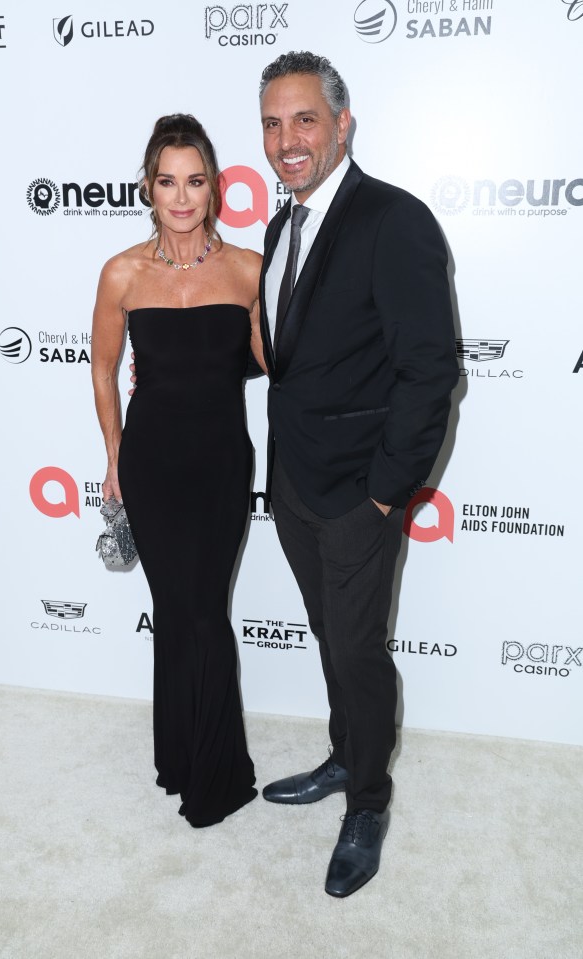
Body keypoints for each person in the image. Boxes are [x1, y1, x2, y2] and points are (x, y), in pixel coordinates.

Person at [256, 52, 459, 897]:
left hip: (358, 491)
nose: (286, 140)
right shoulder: (282, 225)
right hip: (296, 481)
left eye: (304, 119)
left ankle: (368, 801)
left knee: (356, 648)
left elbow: (431, 369)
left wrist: (385, 489)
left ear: (342, 124)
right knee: (328, 635)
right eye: (271, 124)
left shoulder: (393, 219)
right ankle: (347, 756)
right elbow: (294, 354)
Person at [91, 114, 265, 828]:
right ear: (148, 187)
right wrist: (112, 455)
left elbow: (271, 360)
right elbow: (102, 366)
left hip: (223, 461)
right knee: (176, 611)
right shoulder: (123, 272)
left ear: (215, 187)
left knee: (205, 613)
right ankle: (183, 759)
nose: (182, 195)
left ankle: (211, 769)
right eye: (168, 180)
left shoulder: (249, 269)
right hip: (153, 464)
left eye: (195, 180)